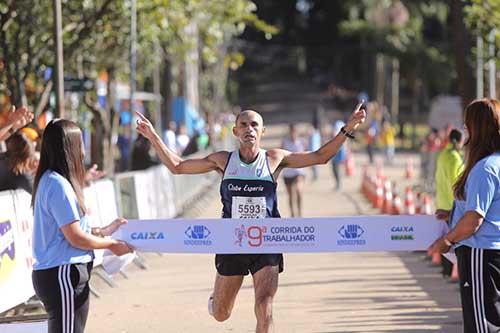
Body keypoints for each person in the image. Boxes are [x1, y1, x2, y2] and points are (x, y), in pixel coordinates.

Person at [135, 103, 366, 333]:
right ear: (235, 132)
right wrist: (153, 136)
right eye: (243, 125)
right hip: (232, 242)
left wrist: (348, 128)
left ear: (262, 131)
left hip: (266, 241)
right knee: (221, 314)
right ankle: (215, 301)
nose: (249, 129)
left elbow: (320, 156)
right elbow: (178, 166)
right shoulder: (223, 160)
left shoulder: (275, 158)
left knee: (265, 306)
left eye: (254, 125)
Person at [31, 119, 133, 333]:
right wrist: (111, 243)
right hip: (63, 273)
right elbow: (75, 237)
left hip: (63, 272)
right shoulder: (57, 184)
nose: (84, 151)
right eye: (81, 142)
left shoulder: (55, 181)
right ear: (70, 146)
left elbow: (72, 232)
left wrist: (104, 231)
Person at [428, 98, 500, 333]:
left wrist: (446, 241)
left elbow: (474, 220)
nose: (465, 131)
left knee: (481, 325)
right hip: (492, 253)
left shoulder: (485, 168)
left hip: (481, 254)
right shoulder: (495, 164)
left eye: (468, 125)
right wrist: (453, 214)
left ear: (478, 128)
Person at [434, 128, 464, 278]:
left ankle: (445, 269)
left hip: (441, 201)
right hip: (451, 204)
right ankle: (451, 271)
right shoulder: (455, 158)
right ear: (459, 141)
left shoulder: (443, 155)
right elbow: (457, 182)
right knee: (452, 239)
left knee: (444, 236)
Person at [281, 124, 306, 217]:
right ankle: (293, 214)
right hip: (287, 172)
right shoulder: (285, 142)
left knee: (298, 190)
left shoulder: (301, 142)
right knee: (291, 195)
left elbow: (308, 154)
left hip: (299, 171)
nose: (293, 134)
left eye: (294, 132)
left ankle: (299, 213)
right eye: (291, 132)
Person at [331, 120, 347, 191]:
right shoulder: (338, 125)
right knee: (334, 169)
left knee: (337, 169)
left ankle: (338, 184)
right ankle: (337, 184)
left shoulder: (340, 126)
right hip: (335, 152)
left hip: (339, 152)